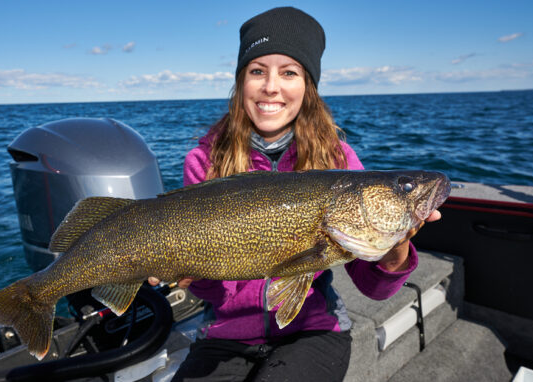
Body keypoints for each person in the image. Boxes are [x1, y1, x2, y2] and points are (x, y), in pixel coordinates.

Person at [149, 7, 441, 381]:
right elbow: (215, 294)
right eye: (257, 71)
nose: (271, 86)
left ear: (308, 85)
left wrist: (397, 247)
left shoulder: (340, 160)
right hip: (224, 332)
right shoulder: (204, 160)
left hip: (314, 330)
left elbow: (374, 288)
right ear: (240, 82)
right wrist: (192, 271)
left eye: (289, 72)